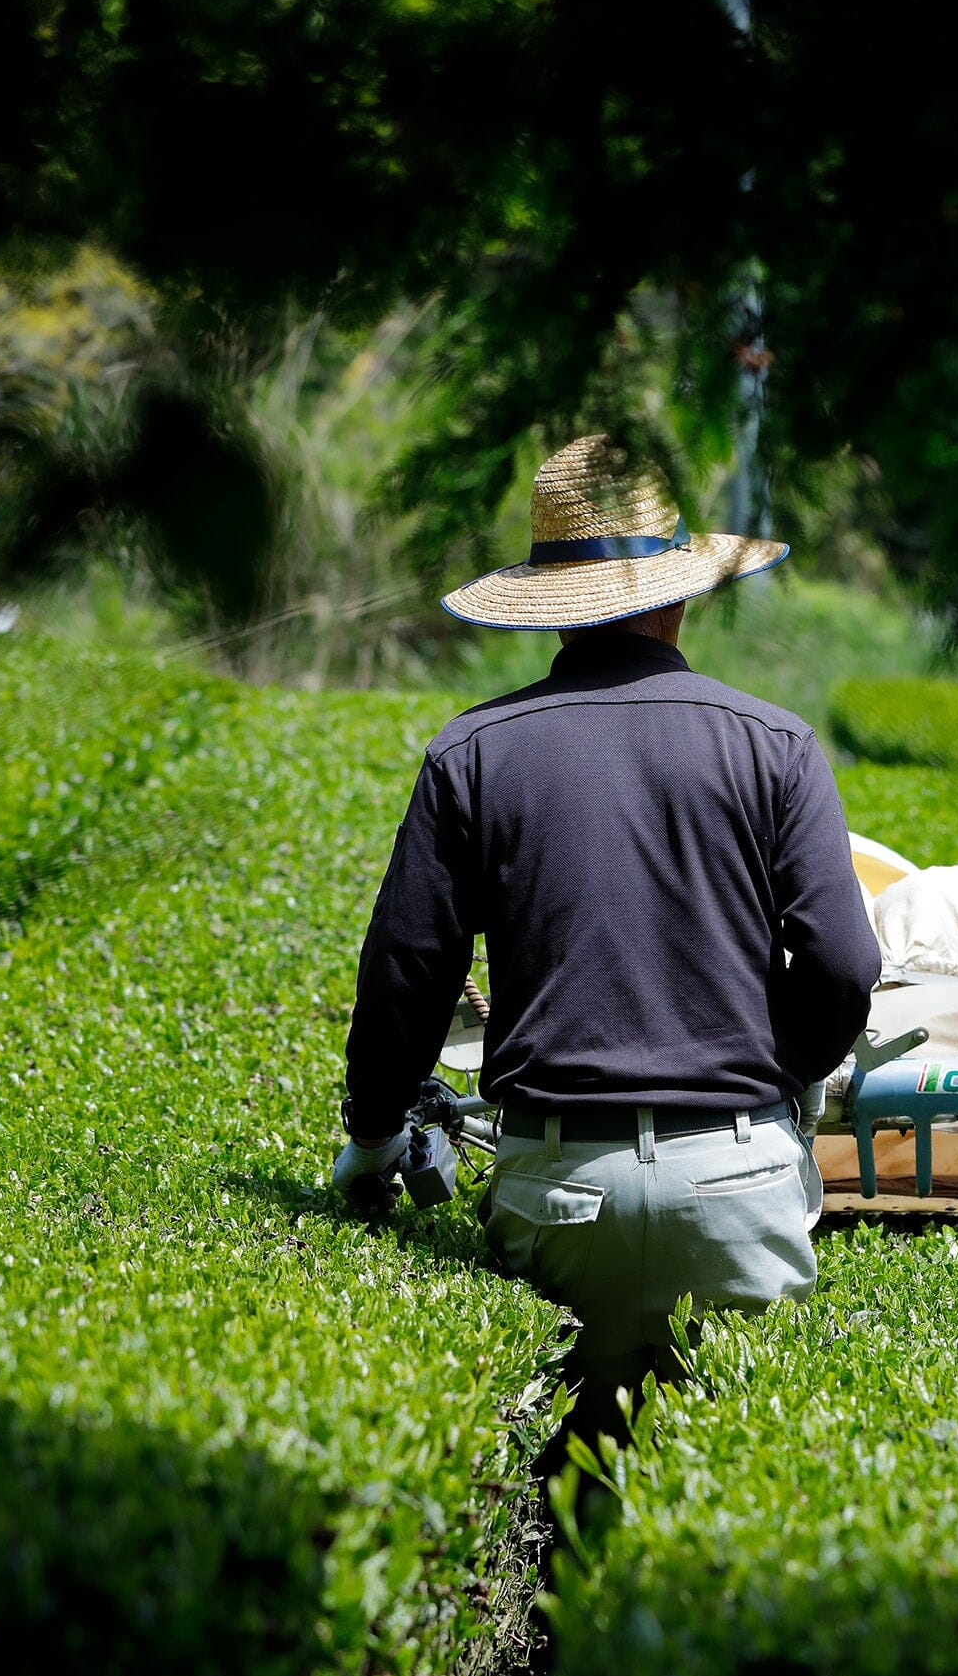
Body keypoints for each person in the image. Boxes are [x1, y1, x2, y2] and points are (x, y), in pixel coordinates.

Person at [332, 434, 880, 1435]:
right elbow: (845, 961)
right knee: (733, 1477)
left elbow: (410, 967)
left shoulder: (473, 751)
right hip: (737, 1178)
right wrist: (775, 1073)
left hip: (555, 1187)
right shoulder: (777, 745)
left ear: (552, 602)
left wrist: (373, 1135)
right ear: (677, 592)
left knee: (544, 1461)